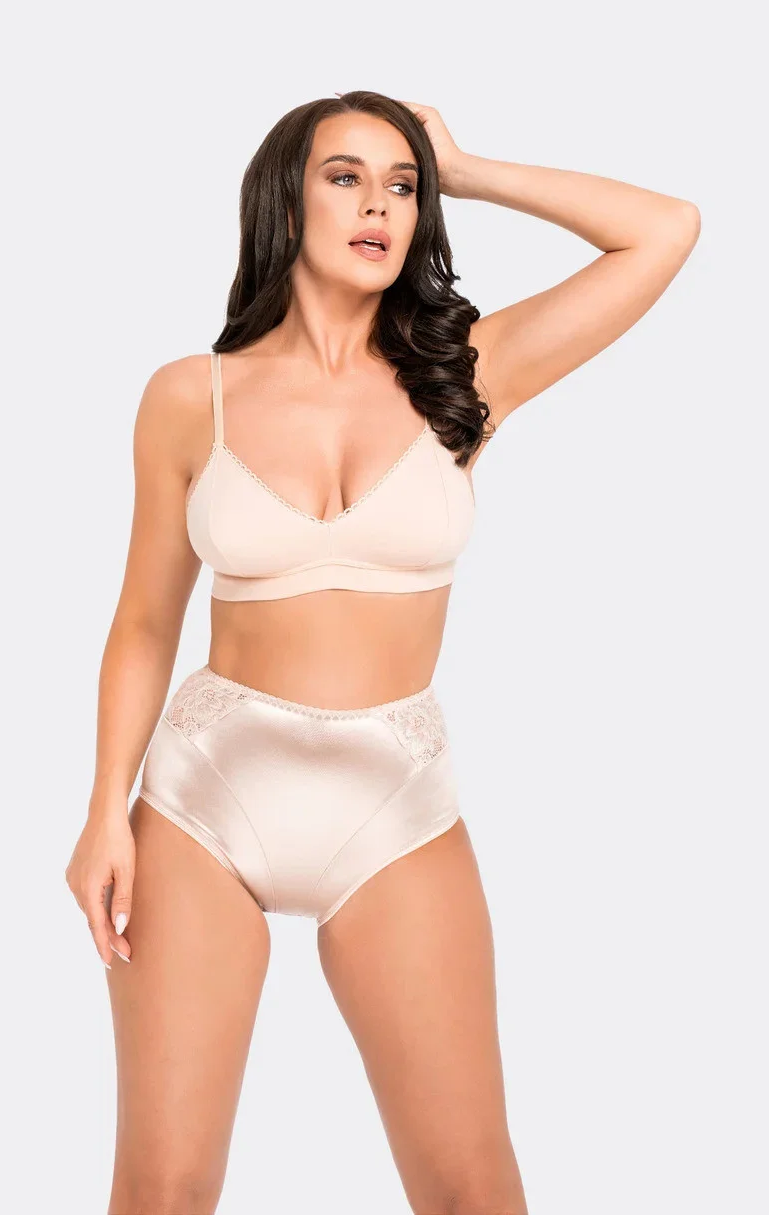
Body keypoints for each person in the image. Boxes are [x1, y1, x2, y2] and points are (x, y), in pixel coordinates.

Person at [65, 90, 700, 1215]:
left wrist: (468, 168)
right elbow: (146, 620)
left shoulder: (469, 374)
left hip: (394, 800)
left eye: (402, 187)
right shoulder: (188, 398)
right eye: (346, 178)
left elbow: (664, 230)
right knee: (161, 1190)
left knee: (473, 1189)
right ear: (284, 203)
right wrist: (104, 810)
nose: (380, 206)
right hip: (206, 793)